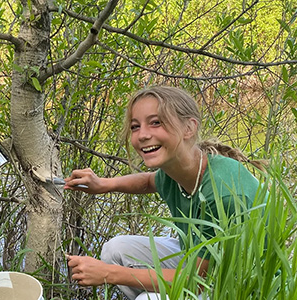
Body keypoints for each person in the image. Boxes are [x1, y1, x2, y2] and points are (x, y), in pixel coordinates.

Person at [64, 86, 266, 300]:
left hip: (242, 284)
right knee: (115, 251)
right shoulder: (178, 169)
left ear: (189, 128)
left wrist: (109, 274)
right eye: (135, 126)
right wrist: (104, 184)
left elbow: (196, 280)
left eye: (156, 122)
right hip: (201, 260)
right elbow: (149, 181)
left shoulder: (225, 193)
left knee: (147, 299)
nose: (142, 135)